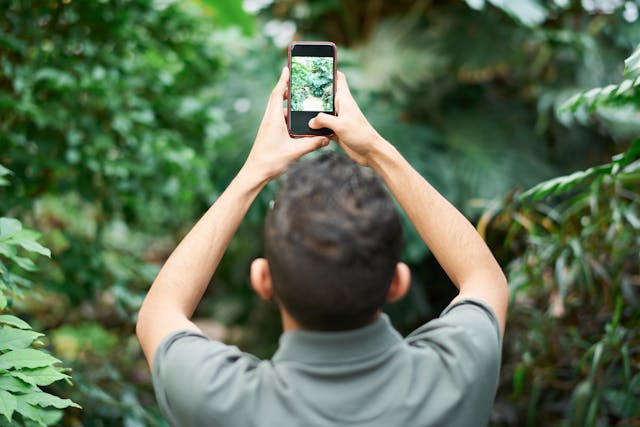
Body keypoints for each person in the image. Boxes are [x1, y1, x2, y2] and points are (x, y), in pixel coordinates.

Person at [136, 66, 509, 427]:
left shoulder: (220, 399)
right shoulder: (455, 376)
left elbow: (159, 313)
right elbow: (484, 278)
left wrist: (254, 172)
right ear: (398, 281)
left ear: (263, 279)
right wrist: (379, 153)